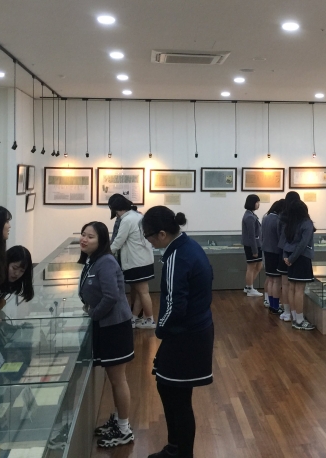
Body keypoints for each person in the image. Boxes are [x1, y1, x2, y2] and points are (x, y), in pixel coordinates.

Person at [141, 207, 213, 458]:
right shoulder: (188, 246)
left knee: (177, 397)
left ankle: (182, 453)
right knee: (168, 388)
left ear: (162, 234)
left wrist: (160, 330)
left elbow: (174, 305)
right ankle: (175, 448)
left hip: (186, 335)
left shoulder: (177, 256)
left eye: (148, 237)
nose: (149, 242)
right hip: (193, 330)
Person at [79, 221, 136, 449]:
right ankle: (118, 419)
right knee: (114, 379)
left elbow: (111, 296)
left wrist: (94, 314)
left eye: (90, 236)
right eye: (83, 234)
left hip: (115, 327)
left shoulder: (106, 262)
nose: (84, 239)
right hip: (105, 325)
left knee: (118, 378)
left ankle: (124, 430)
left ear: (101, 241)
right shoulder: (93, 260)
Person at [108, 194, 156, 329]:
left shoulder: (127, 220)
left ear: (115, 209)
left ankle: (150, 320)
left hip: (136, 261)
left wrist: (105, 254)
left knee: (143, 292)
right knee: (141, 291)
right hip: (144, 260)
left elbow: (118, 241)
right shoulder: (138, 216)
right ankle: (134, 318)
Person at [282, 199, 316, 331]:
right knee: (299, 290)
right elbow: (303, 245)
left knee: (292, 288)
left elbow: (285, 242)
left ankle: (295, 317)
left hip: (290, 257)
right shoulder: (306, 223)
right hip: (301, 258)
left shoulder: (290, 223)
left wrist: (287, 257)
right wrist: (291, 259)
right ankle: (300, 320)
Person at [0, 245, 35, 316]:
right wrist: (2, 302)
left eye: (22, 271)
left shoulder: (9, 282)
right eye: (14, 268)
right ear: (6, 263)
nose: (17, 273)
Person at [277, 191, 301, 322]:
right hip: (294, 252)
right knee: (294, 286)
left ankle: (287, 311)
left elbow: (279, 234)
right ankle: (295, 313)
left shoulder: (282, 215)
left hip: (283, 250)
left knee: (286, 284)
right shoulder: (299, 217)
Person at [261, 199, 285, 315]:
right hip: (275, 252)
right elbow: (281, 237)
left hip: (267, 251)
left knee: (270, 280)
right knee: (276, 281)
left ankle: (271, 304)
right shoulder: (278, 220)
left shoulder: (266, 217)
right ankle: (275, 306)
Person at [241, 194, 263, 298]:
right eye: (257, 202)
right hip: (252, 246)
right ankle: (249, 288)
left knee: (258, 266)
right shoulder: (249, 217)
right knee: (251, 267)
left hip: (256, 244)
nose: (258, 204)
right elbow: (251, 235)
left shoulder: (251, 215)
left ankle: (249, 286)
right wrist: (254, 250)